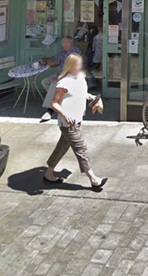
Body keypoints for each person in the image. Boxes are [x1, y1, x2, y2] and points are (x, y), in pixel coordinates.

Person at [42, 53, 107, 191]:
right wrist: (65, 115)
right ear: (70, 66)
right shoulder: (64, 83)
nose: (80, 67)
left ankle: (49, 173)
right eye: (78, 65)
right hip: (68, 123)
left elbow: (82, 92)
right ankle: (94, 179)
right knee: (81, 149)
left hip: (77, 119)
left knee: (62, 147)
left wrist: (92, 97)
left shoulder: (80, 78)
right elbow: (54, 103)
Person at [39, 36, 81, 122]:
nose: (64, 44)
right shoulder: (63, 52)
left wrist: (60, 79)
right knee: (45, 82)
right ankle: (58, 99)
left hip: (69, 76)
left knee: (55, 84)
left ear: (71, 43)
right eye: (63, 43)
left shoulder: (75, 53)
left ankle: (50, 110)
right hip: (60, 75)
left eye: (67, 42)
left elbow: (74, 69)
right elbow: (57, 62)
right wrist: (45, 63)